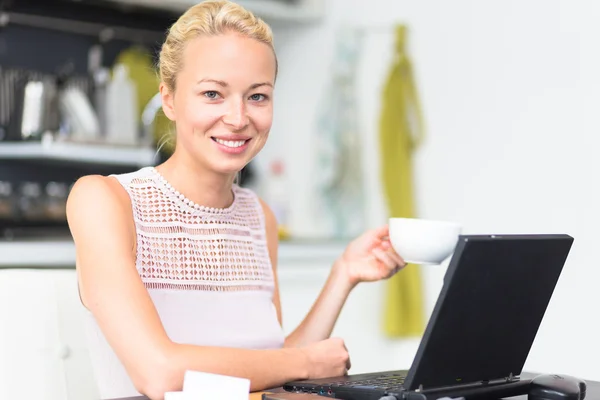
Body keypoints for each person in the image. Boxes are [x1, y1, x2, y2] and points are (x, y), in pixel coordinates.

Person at [66, 1, 407, 399]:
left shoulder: (257, 217)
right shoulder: (104, 200)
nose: (238, 117)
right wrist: (308, 363)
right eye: (213, 93)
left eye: (257, 96)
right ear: (170, 99)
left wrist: (343, 275)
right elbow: (159, 374)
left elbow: (267, 367)